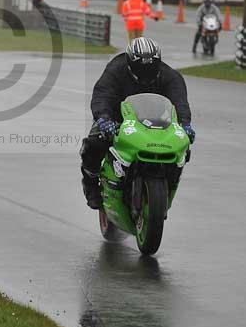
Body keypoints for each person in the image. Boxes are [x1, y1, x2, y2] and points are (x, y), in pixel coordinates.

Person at [78, 37, 195, 209]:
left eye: (151, 68)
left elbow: (180, 102)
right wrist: (104, 119)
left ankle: (168, 184)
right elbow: (102, 95)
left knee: (183, 148)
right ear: (129, 63)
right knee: (94, 143)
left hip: (157, 121)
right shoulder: (115, 70)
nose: (146, 74)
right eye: (141, 69)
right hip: (117, 118)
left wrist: (185, 124)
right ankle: (90, 184)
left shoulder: (171, 76)